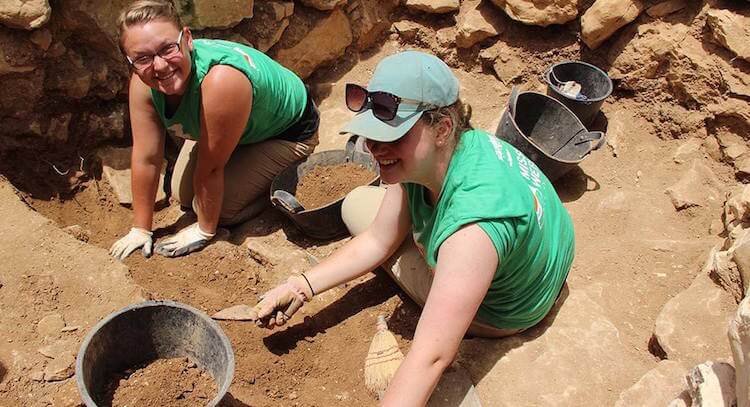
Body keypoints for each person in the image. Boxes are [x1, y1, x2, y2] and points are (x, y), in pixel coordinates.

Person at [252, 50, 575, 405]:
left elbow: (431, 356)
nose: (374, 147)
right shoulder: (457, 146)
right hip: (543, 253)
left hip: (508, 309)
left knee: (380, 221)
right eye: (371, 133)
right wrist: (300, 287)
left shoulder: (472, 232)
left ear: (442, 128)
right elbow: (377, 239)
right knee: (359, 203)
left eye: (393, 135)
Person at [109, 0, 319, 260]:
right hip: (240, 129)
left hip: (287, 132)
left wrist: (204, 231)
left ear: (187, 39)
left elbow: (210, 170)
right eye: (143, 58)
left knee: (218, 212)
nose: (160, 66)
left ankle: (283, 181)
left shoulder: (221, 81)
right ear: (131, 62)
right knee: (183, 195)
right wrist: (140, 229)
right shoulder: (143, 83)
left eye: (167, 49)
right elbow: (146, 157)